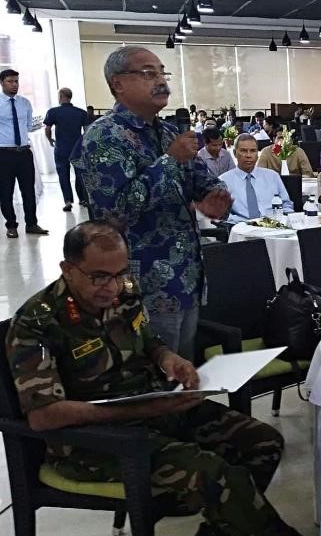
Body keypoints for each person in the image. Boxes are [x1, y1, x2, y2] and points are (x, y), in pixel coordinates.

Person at [7, 220, 321, 536]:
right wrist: (139, 411)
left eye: (120, 273)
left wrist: (170, 359)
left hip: (154, 410)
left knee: (263, 443)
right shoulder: (37, 322)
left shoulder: (124, 293)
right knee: (214, 473)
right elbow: (44, 415)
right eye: (98, 277)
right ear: (67, 269)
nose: (112, 287)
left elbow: (148, 343)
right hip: (96, 442)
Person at [73, 47, 231, 359]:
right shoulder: (103, 136)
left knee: (182, 372)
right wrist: (170, 160)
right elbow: (115, 211)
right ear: (118, 83)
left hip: (185, 278)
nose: (160, 80)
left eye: (162, 72)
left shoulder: (169, 132)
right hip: (140, 285)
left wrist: (216, 196)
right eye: (148, 73)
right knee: (150, 374)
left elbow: (203, 180)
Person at [0, 68, 48, 238]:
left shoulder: (24, 103)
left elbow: (27, 126)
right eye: (10, 81)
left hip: (24, 152)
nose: (14, 85)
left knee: (29, 190)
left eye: (16, 81)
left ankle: (32, 223)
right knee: (6, 191)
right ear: (1, 83)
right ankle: (11, 226)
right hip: (3, 154)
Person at [219, 134, 294, 222]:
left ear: (257, 154)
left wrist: (285, 221)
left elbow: (286, 204)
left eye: (253, 151)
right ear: (235, 153)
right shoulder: (223, 181)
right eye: (243, 151)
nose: (248, 155)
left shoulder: (272, 176)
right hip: (240, 226)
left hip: (273, 225)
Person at [44, 87, 91, 212]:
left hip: (61, 148)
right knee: (80, 174)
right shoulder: (81, 112)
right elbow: (87, 131)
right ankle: (83, 199)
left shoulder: (53, 112)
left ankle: (68, 201)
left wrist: (50, 140)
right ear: (70, 97)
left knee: (63, 175)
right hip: (77, 148)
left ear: (60, 96)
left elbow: (47, 128)